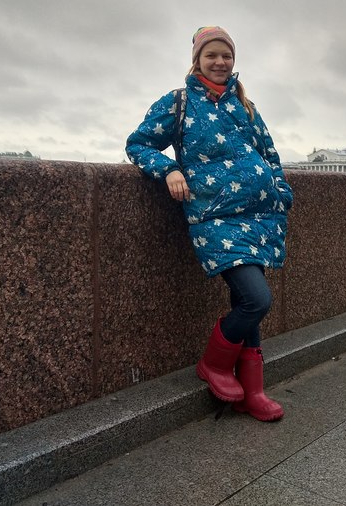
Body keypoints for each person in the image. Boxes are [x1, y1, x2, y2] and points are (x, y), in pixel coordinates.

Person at [125, 26, 293, 422]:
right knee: (256, 299)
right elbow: (138, 144)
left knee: (246, 303)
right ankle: (214, 365)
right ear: (197, 60)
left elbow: (269, 154)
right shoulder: (178, 102)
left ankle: (252, 392)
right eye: (211, 55)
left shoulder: (244, 105)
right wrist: (168, 170)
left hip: (260, 217)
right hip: (215, 218)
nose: (220, 62)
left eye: (226, 55)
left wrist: (280, 191)